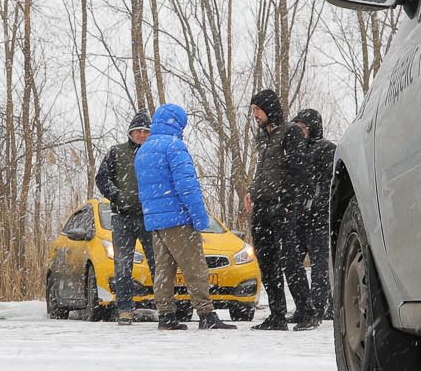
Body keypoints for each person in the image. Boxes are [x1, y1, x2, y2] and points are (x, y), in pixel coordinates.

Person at [134, 103, 232, 331]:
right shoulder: (174, 146)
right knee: (195, 267)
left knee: (163, 270)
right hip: (178, 218)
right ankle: (206, 314)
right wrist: (199, 219)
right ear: (177, 123)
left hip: (156, 221)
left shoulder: (144, 150)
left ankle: (166, 315)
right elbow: (187, 186)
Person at [243, 87, 313, 330]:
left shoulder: (291, 133)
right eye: (253, 110)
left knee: (290, 261)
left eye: (257, 110)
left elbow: (297, 171)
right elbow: (263, 170)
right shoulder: (263, 138)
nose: (255, 115)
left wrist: (286, 202)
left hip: (281, 207)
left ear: (269, 109)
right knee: (267, 261)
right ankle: (277, 314)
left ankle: (307, 312)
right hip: (261, 207)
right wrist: (252, 189)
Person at [94, 112, 157, 325]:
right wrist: (117, 196)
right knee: (122, 265)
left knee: (158, 264)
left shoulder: (156, 152)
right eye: (138, 131)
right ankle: (125, 309)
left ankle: (166, 308)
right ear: (130, 132)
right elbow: (102, 178)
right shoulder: (116, 152)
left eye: (146, 131)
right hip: (122, 218)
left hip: (149, 217)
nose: (141, 134)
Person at [289, 108, 337, 320]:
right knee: (293, 263)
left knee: (319, 266)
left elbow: (330, 184)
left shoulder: (327, 149)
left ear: (311, 127)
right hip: (297, 217)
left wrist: (315, 203)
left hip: (319, 218)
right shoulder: (295, 151)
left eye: (302, 127)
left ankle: (319, 307)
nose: (300, 132)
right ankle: (304, 307)